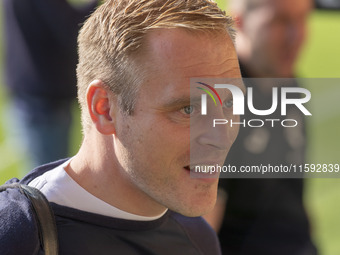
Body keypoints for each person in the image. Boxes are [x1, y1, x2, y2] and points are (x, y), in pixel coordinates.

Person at [0, 0, 245, 254]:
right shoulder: (18, 238)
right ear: (104, 109)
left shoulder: (198, 239)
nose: (222, 136)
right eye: (188, 110)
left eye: (229, 102)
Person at [204, 0, 318, 254]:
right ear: (239, 23)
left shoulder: (291, 87)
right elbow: (202, 231)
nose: (296, 35)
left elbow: (292, 199)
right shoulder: (221, 103)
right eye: (279, 22)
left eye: (302, 19)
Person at [2, 0, 98, 170]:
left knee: (43, 177)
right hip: (44, 99)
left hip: (30, 92)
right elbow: (72, 27)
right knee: (48, 182)